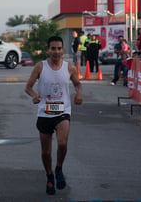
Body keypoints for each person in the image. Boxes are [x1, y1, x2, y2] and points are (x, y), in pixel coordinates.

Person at [25, 36, 83, 195]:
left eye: (59, 48)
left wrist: (79, 93)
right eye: (53, 48)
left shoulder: (69, 67)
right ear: (47, 50)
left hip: (63, 111)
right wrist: (34, 95)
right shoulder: (40, 67)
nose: (56, 51)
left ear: (62, 50)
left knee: (63, 143)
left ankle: (58, 169)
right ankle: (49, 175)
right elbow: (28, 87)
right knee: (46, 152)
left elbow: (78, 84)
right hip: (45, 112)